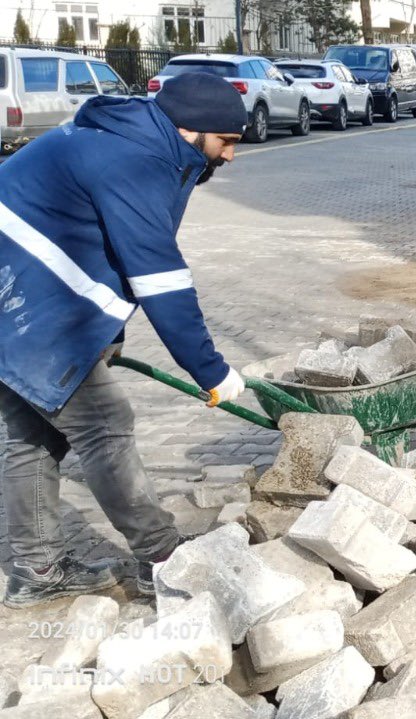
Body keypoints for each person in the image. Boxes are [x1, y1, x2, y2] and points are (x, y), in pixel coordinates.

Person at [0, 73, 249, 608]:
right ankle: (161, 561)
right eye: (226, 141)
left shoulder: (132, 140)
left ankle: (37, 571)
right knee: (105, 425)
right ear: (189, 131)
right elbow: (159, 278)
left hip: (20, 298)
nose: (231, 156)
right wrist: (211, 370)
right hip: (27, 309)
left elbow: (100, 248)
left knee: (31, 434)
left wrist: (107, 334)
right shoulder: (134, 162)